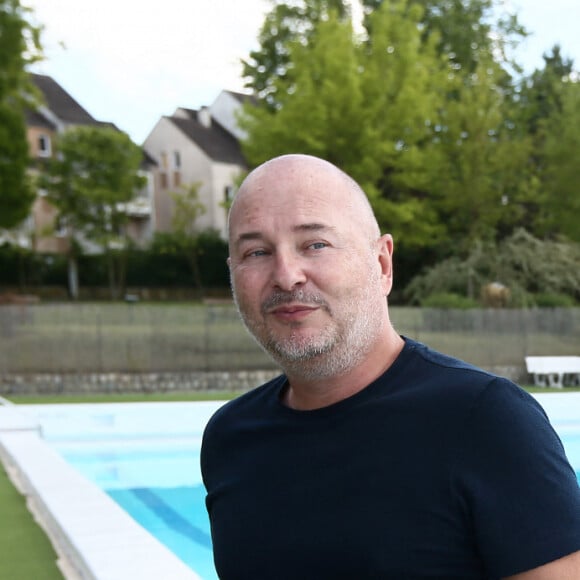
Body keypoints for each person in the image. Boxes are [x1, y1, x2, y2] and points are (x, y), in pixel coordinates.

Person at [201, 154, 580, 579]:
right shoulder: (230, 440)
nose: (286, 275)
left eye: (315, 244)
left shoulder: (484, 421)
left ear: (382, 264)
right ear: (234, 275)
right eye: (256, 252)